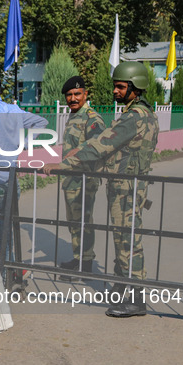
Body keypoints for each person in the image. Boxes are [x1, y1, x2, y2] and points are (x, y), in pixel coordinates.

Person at [43, 61, 159, 318]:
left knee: (127, 242)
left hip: (127, 187)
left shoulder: (133, 117)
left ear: (135, 86)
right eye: (115, 86)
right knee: (123, 240)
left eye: (120, 87)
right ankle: (122, 289)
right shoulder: (144, 114)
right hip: (128, 185)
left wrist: (64, 163)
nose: (115, 91)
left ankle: (135, 298)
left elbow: (99, 145)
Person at [0, 69, 48, 257]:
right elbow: (41, 122)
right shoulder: (13, 109)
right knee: (6, 228)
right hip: (12, 180)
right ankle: (9, 269)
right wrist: (23, 144)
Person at [58, 76, 106, 279]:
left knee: (83, 221)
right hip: (71, 178)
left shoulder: (92, 118)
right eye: (69, 95)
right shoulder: (74, 116)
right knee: (74, 221)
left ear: (86, 95)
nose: (73, 98)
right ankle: (79, 258)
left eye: (77, 94)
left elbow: (97, 147)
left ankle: (85, 264)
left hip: (84, 178)